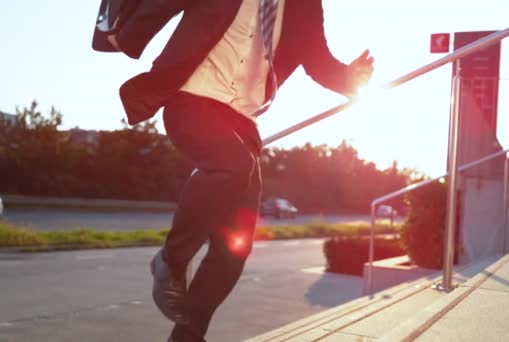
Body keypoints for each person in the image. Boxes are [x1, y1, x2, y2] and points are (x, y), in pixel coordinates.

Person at [106, 0, 374, 340]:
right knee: (232, 165)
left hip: (241, 120)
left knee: (235, 248)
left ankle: (186, 338)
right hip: (191, 97)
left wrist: (350, 77)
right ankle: (171, 261)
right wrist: (119, 34)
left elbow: (317, 60)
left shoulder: (304, 4)